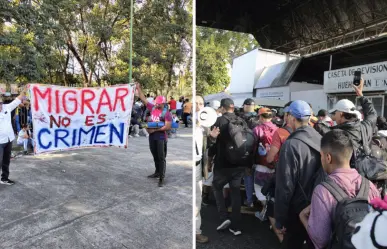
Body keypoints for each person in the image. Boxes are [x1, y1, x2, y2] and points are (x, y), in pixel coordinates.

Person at [299, 130, 380, 249]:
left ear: (328, 157)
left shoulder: (322, 190)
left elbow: (320, 240)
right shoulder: (370, 186)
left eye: (321, 156)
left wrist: (302, 217)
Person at [275, 100, 322, 249]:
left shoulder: (291, 144)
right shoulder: (320, 138)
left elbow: (285, 185)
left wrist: (280, 219)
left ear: (292, 118)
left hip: (297, 208)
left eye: (288, 115)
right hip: (317, 203)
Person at [208, 98, 246, 236]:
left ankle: (224, 217)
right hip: (239, 164)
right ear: (232, 107)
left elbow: (213, 144)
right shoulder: (241, 121)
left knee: (217, 187)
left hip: (222, 164)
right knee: (236, 192)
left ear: (222, 108)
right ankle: (236, 226)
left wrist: (209, 160)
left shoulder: (218, 121)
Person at [329, 79, 377, 168]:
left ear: (341, 114)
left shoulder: (335, 134)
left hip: (346, 179)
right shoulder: (365, 126)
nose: (334, 116)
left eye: (335, 113)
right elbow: (372, 113)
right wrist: (361, 95)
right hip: (365, 177)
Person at [135, 83, 172, 187]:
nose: (156, 104)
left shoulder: (166, 113)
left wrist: (154, 130)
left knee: (161, 157)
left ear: (163, 103)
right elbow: (143, 99)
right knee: (155, 155)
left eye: (158, 103)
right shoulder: (152, 108)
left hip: (160, 137)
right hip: (152, 137)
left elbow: (168, 126)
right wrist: (139, 88)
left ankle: (162, 177)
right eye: (156, 103)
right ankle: (157, 172)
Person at [0, 89, 27, 185]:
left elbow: (18, 100)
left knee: (6, 161)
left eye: (0, 103)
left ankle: (4, 178)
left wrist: (24, 90)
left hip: (9, 139)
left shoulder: (6, 107)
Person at [195, 95, 209, 244]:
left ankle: (196, 231)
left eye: (201, 103)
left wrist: (211, 136)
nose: (199, 106)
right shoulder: (192, 122)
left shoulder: (205, 122)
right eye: (196, 103)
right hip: (192, 166)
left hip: (198, 166)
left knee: (197, 200)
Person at [240, 98, 259, 209]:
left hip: (245, 150)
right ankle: (256, 197)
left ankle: (249, 200)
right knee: (254, 176)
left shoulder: (242, 118)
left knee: (247, 176)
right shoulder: (258, 117)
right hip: (258, 151)